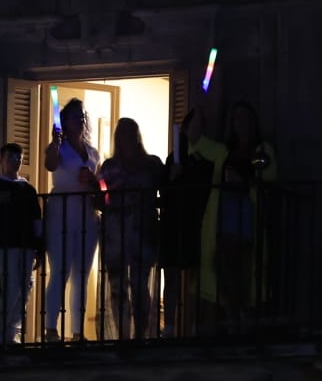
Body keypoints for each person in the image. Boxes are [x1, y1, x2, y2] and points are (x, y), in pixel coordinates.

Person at [192, 101, 278, 325]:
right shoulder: (224, 151)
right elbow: (196, 140)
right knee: (224, 267)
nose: (241, 123)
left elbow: (270, 179)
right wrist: (199, 110)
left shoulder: (262, 150)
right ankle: (235, 316)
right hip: (224, 217)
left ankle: (240, 318)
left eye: (245, 118)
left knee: (245, 268)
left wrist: (245, 182)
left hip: (248, 216)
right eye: (237, 119)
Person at [98, 117, 166, 340]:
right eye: (122, 134)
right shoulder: (109, 167)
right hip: (115, 231)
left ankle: (140, 333)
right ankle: (123, 335)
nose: (126, 139)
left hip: (142, 229)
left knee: (139, 284)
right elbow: (100, 197)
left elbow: (166, 188)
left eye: (130, 134)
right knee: (117, 286)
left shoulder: (152, 164)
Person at [43, 98, 103, 342]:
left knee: (82, 273)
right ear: (64, 122)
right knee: (60, 270)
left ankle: (78, 332)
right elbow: (50, 165)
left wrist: (92, 182)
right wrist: (54, 145)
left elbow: (99, 181)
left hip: (86, 214)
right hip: (62, 212)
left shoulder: (92, 152)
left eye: (83, 116)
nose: (81, 121)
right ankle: (50, 329)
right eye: (75, 117)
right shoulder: (58, 149)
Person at [0, 142, 44, 344]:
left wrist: (39, 246)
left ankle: (11, 333)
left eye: (18, 158)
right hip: (5, 243)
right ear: (1, 160)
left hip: (26, 244)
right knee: (11, 289)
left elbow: (36, 219)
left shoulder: (28, 189)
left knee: (24, 290)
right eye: (11, 158)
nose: (15, 162)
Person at [161, 106, 215, 337]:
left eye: (202, 125)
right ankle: (170, 325)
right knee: (171, 275)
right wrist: (171, 177)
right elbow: (164, 189)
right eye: (195, 125)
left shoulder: (206, 155)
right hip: (174, 219)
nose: (198, 130)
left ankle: (195, 324)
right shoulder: (175, 156)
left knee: (195, 276)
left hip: (195, 219)